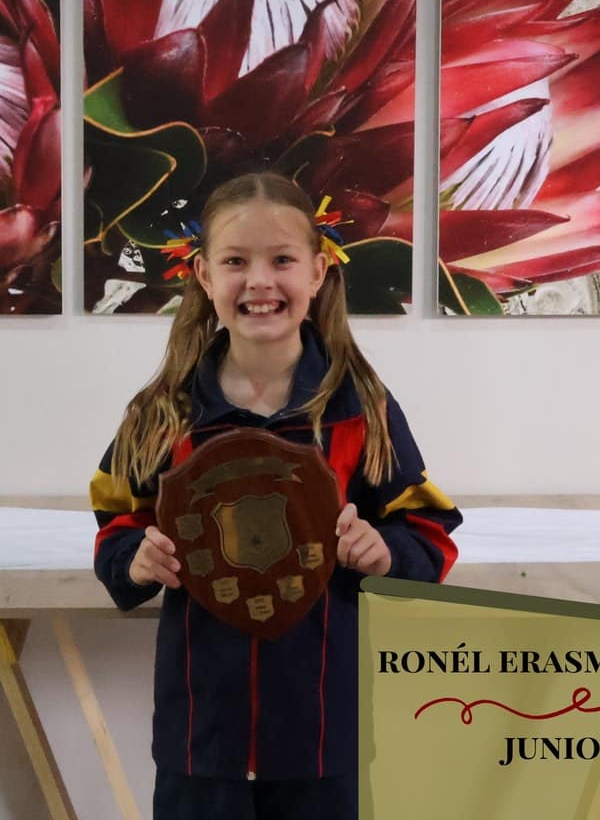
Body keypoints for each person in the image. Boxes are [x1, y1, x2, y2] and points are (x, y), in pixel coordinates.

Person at [90, 171, 461, 820]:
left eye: (282, 260)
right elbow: (116, 522)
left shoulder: (361, 411)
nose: (259, 281)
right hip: (202, 734)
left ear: (318, 271)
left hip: (324, 730)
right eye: (236, 261)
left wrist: (384, 553)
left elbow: (427, 528)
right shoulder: (163, 414)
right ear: (203, 274)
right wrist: (135, 560)